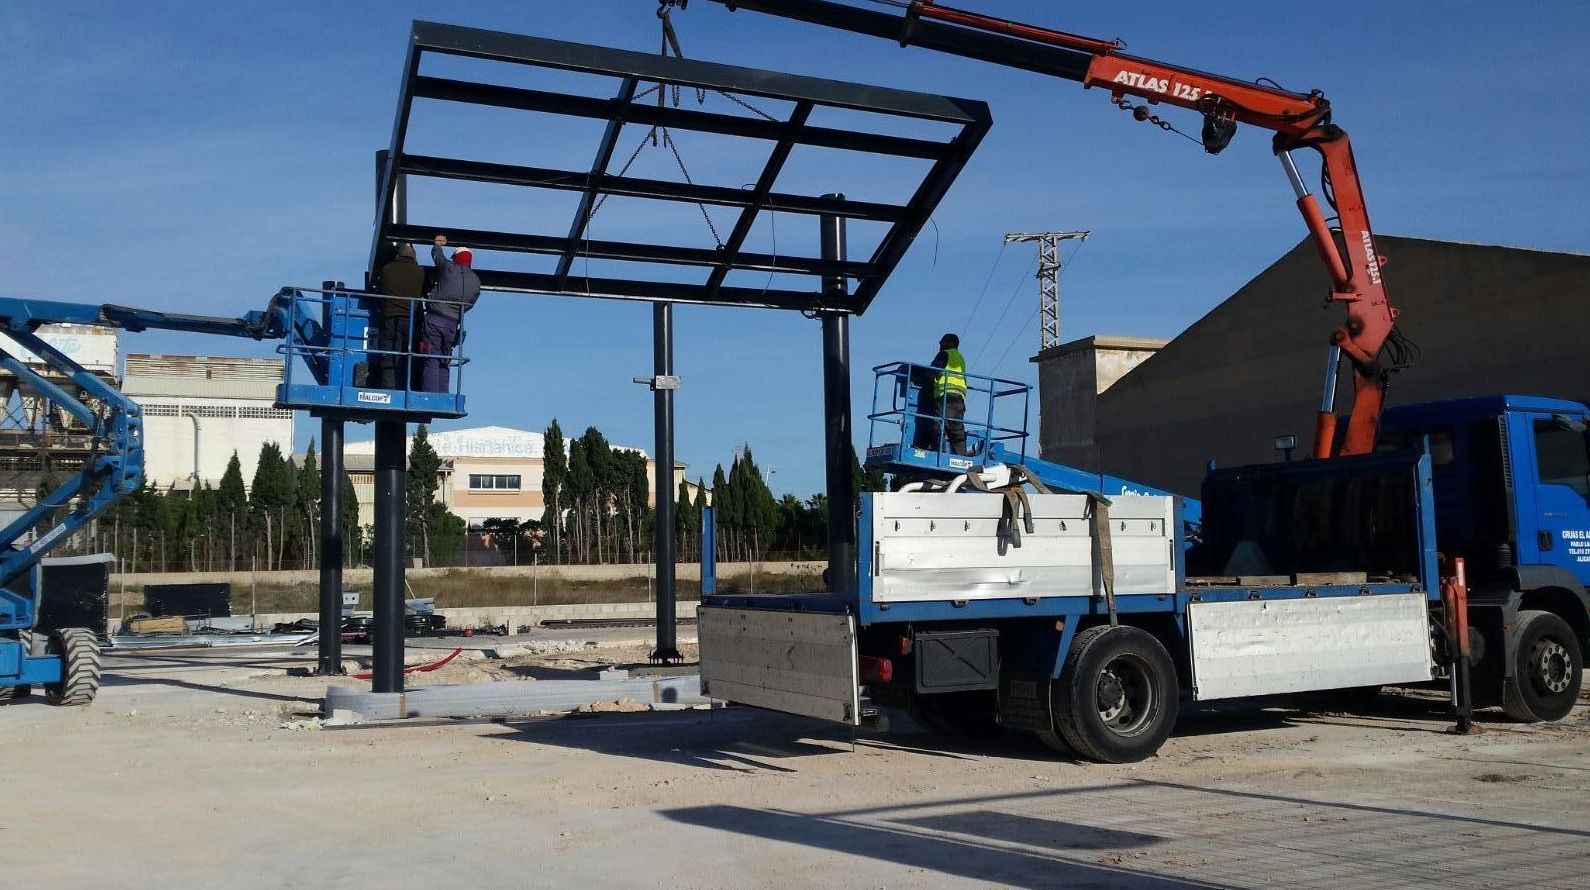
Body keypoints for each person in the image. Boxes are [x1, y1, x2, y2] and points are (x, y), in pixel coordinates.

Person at [420, 233, 480, 393]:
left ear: (456, 257)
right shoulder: (475, 281)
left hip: (434, 318)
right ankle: (442, 393)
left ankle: (430, 394)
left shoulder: (449, 268)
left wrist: (437, 245)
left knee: (431, 356)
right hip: (453, 324)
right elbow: (471, 303)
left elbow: (437, 257)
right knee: (445, 358)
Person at [373, 243, 424, 389]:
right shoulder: (420, 271)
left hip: (390, 318)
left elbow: (379, 285)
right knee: (412, 356)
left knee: (389, 355)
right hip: (411, 320)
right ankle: (413, 387)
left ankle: (388, 388)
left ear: (397, 255)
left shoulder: (387, 269)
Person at [915, 333, 969, 455]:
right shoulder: (960, 357)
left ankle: (938, 454)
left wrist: (921, 375)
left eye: (943, 341)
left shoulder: (945, 354)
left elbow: (932, 373)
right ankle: (962, 457)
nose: (940, 344)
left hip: (946, 396)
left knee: (938, 425)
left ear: (950, 343)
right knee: (956, 429)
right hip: (959, 398)